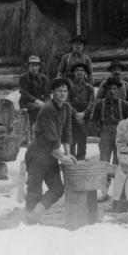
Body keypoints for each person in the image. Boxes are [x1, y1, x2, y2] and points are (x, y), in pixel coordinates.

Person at [23, 77, 77, 225]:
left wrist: (67, 153)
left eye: (65, 91)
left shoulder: (66, 108)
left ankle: (35, 214)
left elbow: (67, 132)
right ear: (53, 92)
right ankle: (29, 221)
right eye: (59, 90)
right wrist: (61, 156)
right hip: (38, 153)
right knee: (34, 189)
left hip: (52, 154)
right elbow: (51, 135)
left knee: (57, 189)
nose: (62, 93)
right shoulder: (48, 108)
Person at [91, 77, 128, 200]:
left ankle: (118, 192)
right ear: (106, 90)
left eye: (114, 89)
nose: (112, 91)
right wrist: (100, 133)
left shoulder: (124, 104)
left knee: (119, 162)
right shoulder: (99, 104)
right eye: (110, 89)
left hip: (121, 135)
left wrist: (127, 135)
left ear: (118, 91)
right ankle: (104, 191)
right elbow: (93, 121)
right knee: (104, 162)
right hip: (106, 134)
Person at [69, 63, 96, 161]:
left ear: (85, 73)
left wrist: (84, 114)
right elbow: (66, 102)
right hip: (72, 116)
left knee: (82, 138)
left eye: (81, 70)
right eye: (77, 70)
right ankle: (71, 159)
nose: (79, 72)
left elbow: (92, 102)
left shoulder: (89, 87)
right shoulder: (70, 86)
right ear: (74, 73)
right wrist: (76, 114)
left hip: (85, 116)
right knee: (72, 138)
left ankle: (80, 159)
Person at [18, 55, 49, 129]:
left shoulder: (43, 78)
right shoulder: (23, 77)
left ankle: (47, 131)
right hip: (25, 102)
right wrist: (37, 101)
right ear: (29, 66)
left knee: (49, 108)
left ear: (39, 66)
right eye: (32, 65)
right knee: (36, 107)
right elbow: (24, 93)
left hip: (40, 102)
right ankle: (34, 128)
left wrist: (47, 103)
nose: (34, 68)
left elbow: (47, 94)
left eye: (36, 65)